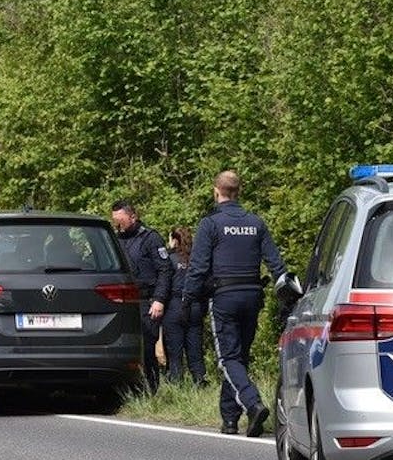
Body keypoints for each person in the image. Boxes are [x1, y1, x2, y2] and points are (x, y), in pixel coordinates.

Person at [185, 170, 297, 436]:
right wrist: (288, 296)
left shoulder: (210, 224)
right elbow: (276, 265)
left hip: (224, 296)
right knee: (238, 356)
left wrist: (188, 298)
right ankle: (230, 418)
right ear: (239, 191)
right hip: (252, 296)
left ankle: (253, 403)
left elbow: (198, 267)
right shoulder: (256, 223)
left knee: (227, 358)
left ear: (216, 190)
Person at [110, 200, 172, 393]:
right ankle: (125, 390)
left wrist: (159, 299)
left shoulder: (150, 238)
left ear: (133, 217)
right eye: (114, 221)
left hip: (147, 301)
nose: (117, 226)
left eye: (120, 221)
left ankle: (151, 390)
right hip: (123, 302)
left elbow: (165, 270)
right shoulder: (115, 240)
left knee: (146, 348)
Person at [162, 226, 207, 386]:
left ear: (174, 239)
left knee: (175, 352)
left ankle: (176, 384)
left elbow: (164, 283)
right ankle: (200, 382)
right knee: (195, 350)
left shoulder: (169, 258)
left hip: (174, 306)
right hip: (195, 306)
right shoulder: (197, 259)